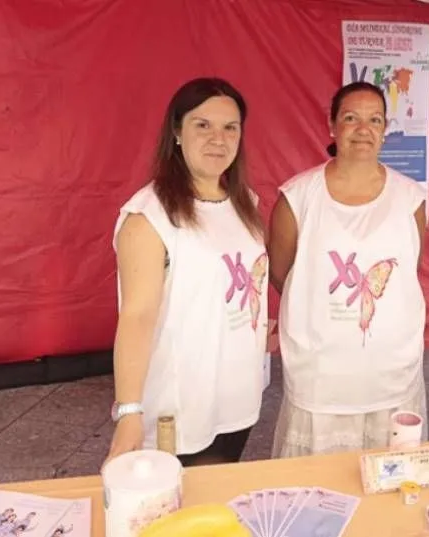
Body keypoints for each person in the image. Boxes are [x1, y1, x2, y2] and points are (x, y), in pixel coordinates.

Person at [104, 78, 269, 467]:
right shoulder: (150, 216)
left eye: (230, 127)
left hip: (238, 393)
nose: (218, 138)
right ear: (177, 132)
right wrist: (128, 411)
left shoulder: (245, 204)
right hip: (181, 406)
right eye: (202, 125)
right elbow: (137, 316)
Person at [267, 81, 428, 457]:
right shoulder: (298, 196)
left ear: (386, 130)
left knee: (387, 477)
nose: (363, 129)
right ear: (332, 126)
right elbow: (281, 273)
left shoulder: (410, 198)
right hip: (321, 371)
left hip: (390, 369)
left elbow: (407, 271)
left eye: (374, 119)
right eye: (351, 118)